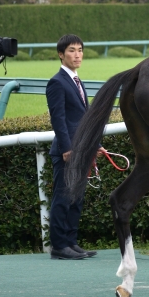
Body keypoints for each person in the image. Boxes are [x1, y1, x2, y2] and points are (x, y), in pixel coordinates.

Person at [46, 34, 102, 260]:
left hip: (82, 150)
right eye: (72, 50)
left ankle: (71, 242)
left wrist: (94, 145)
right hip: (66, 152)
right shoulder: (57, 82)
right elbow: (58, 119)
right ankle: (59, 246)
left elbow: (83, 120)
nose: (77, 54)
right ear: (61, 54)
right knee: (63, 198)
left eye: (80, 50)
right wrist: (67, 149)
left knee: (76, 199)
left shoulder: (78, 81)